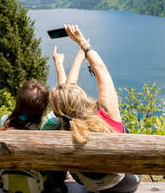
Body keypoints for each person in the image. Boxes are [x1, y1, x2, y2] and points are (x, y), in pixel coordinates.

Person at [48, 24, 141, 193]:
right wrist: (83, 43)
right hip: (122, 183)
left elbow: (66, 97)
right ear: (81, 96)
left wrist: (65, 64)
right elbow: (101, 70)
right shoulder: (105, 113)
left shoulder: (64, 123)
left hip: (88, 182)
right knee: (123, 129)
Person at [0, 80, 49, 193]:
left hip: (7, 184)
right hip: (37, 185)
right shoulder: (43, 127)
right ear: (43, 108)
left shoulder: (4, 122)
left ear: (18, 102)